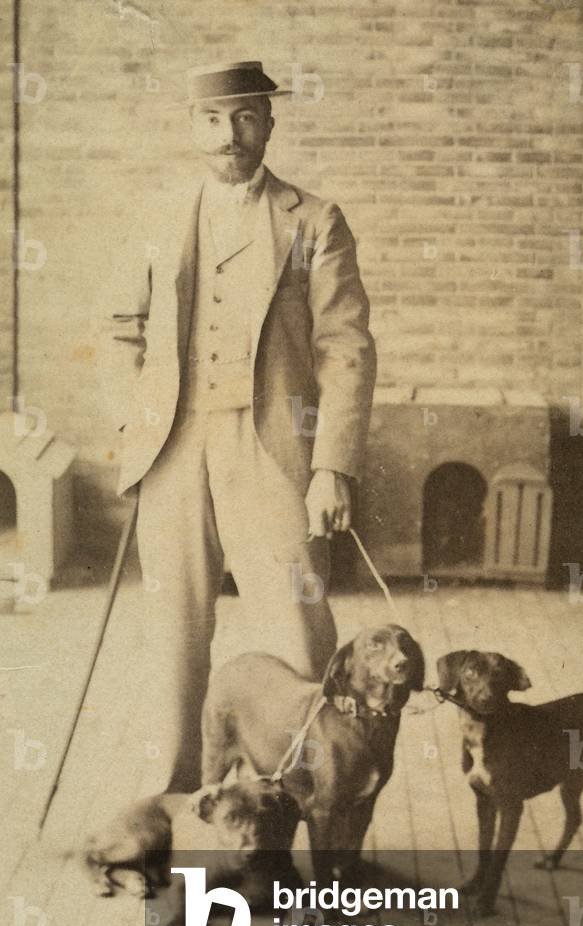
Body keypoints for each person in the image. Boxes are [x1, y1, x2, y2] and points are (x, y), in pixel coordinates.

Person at [102, 60, 376, 791]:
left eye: (246, 117)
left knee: (295, 627)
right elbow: (121, 329)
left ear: (269, 123)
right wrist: (133, 427)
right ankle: (177, 793)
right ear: (193, 127)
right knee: (173, 631)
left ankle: (302, 789)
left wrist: (331, 466)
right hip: (173, 447)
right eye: (213, 119)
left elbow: (345, 347)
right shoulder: (158, 215)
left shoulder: (314, 220)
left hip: (273, 448)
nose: (230, 134)